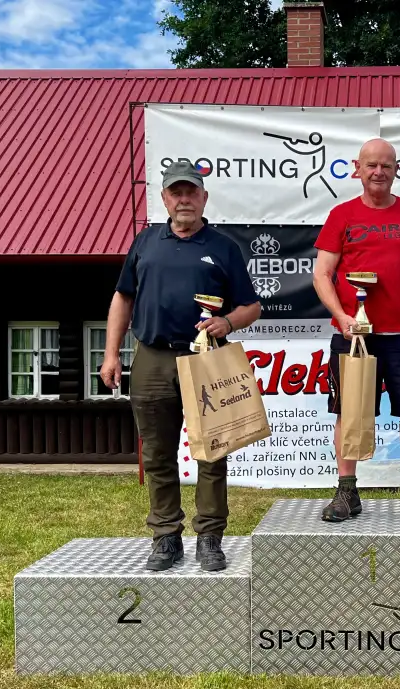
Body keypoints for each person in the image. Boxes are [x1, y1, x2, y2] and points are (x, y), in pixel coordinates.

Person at [100, 158, 262, 572]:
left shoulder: (223, 247)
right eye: (177, 192)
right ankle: (166, 536)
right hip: (152, 357)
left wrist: (227, 322)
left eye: (191, 192)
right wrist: (111, 353)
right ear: (164, 198)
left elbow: (251, 306)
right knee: (157, 453)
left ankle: (209, 537)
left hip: (207, 359)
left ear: (204, 198)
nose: (184, 199)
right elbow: (123, 297)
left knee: (213, 452)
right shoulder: (145, 242)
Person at [311, 137, 400, 522]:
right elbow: (322, 274)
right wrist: (342, 316)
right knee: (349, 412)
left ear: (396, 170)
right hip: (355, 336)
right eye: (371, 165)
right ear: (357, 169)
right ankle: (347, 491)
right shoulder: (341, 215)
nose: (378, 172)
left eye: (386, 165)